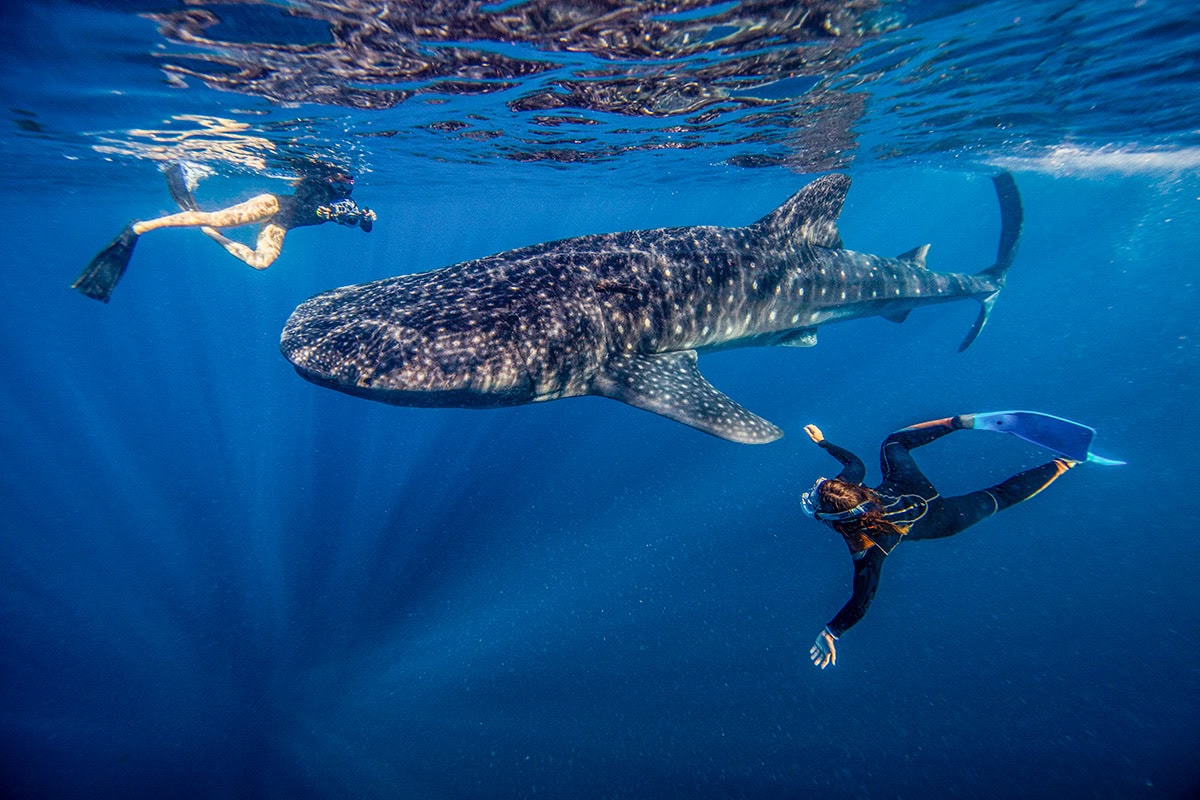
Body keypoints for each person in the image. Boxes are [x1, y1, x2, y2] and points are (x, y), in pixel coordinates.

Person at [800, 413, 1085, 670]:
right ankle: (957, 423)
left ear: (835, 520)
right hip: (906, 487)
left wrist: (832, 631)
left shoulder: (870, 547)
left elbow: (862, 601)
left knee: (1000, 496)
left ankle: (1064, 463)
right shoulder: (847, 493)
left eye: (815, 493)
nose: (813, 490)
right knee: (893, 444)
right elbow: (855, 464)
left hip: (940, 519)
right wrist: (824, 443)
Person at [72, 161, 377, 303]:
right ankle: (138, 228)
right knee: (216, 218)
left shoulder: (344, 202)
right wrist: (322, 212)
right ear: (331, 175)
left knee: (261, 262)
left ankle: (210, 234)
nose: (344, 186)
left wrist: (365, 220)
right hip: (271, 207)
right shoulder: (317, 184)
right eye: (341, 180)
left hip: (282, 224)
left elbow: (359, 225)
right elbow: (307, 203)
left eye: (348, 184)